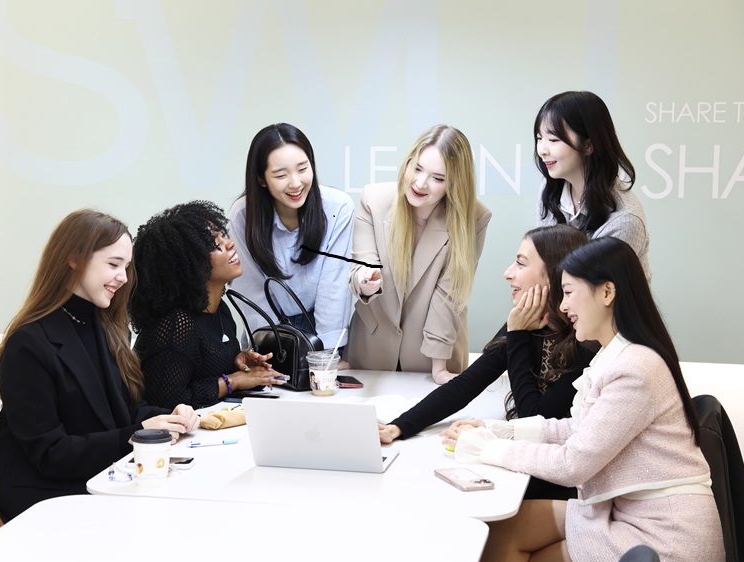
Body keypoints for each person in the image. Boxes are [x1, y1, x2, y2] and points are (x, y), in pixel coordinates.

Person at [452, 237, 723, 562]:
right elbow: (580, 429)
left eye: (568, 292)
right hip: (628, 514)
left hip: (664, 537)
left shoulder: (635, 368)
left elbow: (573, 464)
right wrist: (501, 432)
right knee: (504, 531)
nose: (563, 307)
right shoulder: (620, 354)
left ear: (607, 293)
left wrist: (490, 450)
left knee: (516, 547)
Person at [0, 210, 201, 523]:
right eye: (113, 264)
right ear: (74, 258)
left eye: (126, 267)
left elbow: (123, 413)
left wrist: (166, 419)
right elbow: (50, 454)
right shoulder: (29, 343)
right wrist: (137, 433)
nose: (124, 277)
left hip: (95, 472)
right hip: (40, 492)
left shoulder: (106, 327)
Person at [380, 224, 592, 500]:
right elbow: (466, 385)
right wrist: (400, 426)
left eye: (520, 263)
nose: (508, 273)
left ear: (552, 275)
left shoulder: (587, 338)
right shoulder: (525, 321)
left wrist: (517, 335)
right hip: (524, 460)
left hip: (560, 478)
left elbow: (534, 417)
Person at [345, 124, 492, 383]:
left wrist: (439, 367)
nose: (421, 183)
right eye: (417, 168)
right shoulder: (374, 200)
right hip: (371, 352)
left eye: (438, 178)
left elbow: (449, 294)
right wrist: (366, 282)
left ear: (455, 183)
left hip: (435, 356)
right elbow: (360, 269)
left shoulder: (473, 218)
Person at [130, 201, 286, 410]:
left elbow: (201, 368)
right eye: (215, 244)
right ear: (188, 263)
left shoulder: (220, 309)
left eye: (224, 236)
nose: (230, 244)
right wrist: (232, 381)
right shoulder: (177, 324)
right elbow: (166, 401)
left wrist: (238, 363)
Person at [228, 123, 354, 352]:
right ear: (261, 179)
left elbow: (333, 289)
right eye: (280, 175)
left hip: (322, 330)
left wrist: (325, 357)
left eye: (302, 169)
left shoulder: (338, 208)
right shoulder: (243, 215)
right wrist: (276, 348)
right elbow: (252, 289)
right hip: (267, 331)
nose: (295, 183)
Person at [534, 90, 652, 282]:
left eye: (554, 140)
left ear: (589, 145)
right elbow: (542, 262)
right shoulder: (549, 190)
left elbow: (590, 289)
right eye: (540, 138)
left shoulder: (624, 219)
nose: (542, 151)